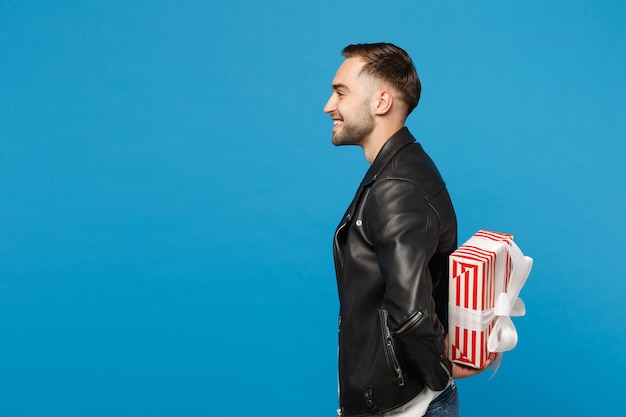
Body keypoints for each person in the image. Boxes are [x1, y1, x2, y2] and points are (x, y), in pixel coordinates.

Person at [324, 43, 495, 417]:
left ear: (381, 101)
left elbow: (410, 314)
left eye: (340, 92)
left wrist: (439, 372)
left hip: (404, 408)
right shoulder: (397, 171)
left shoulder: (396, 187)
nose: (328, 106)